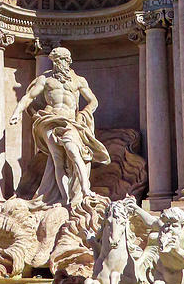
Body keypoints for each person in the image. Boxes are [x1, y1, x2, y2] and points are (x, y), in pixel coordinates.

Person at [8, 46, 110, 207]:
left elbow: (93, 101)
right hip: (49, 119)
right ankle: (64, 199)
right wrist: (17, 112)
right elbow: (29, 97)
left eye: (61, 60)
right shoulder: (45, 79)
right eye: (55, 61)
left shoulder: (78, 80)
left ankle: (85, 190)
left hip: (71, 122)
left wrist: (84, 114)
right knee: (57, 160)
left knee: (74, 152)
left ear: (68, 61)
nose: (58, 64)